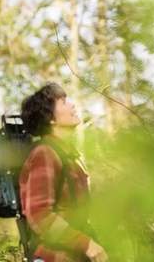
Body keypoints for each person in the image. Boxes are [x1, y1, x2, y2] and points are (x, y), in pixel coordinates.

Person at [19, 83, 108, 262]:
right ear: (50, 117)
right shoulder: (44, 154)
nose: (72, 105)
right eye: (63, 102)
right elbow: (40, 215)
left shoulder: (68, 155)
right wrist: (86, 244)